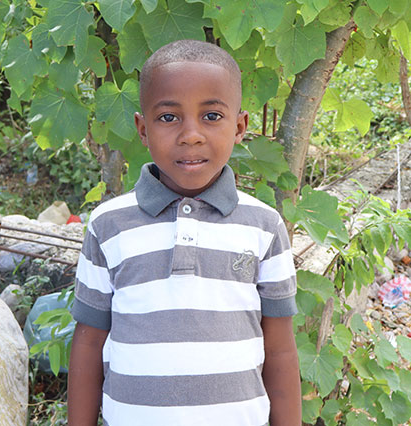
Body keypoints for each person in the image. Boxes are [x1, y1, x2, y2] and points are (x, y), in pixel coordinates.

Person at [68, 39, 301, 426]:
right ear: (142, 129)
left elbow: (280, 351)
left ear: (240, 127)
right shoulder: (108, 225)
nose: (191, 135)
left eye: (211, 116)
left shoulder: (264, 225)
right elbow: (89, 343)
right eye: (168, 117)